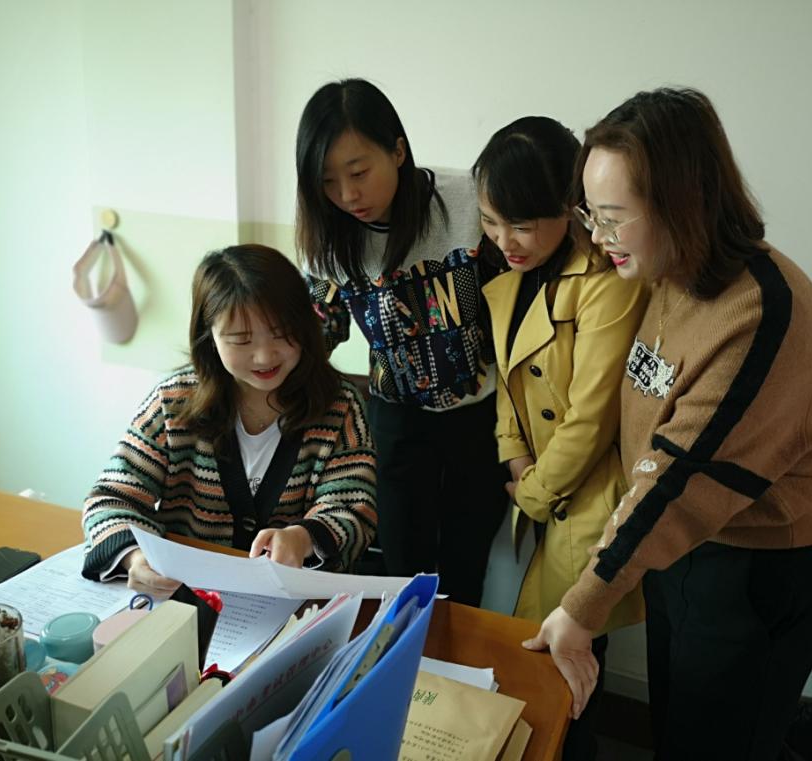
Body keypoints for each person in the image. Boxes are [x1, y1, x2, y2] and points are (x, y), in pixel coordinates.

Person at [524, 88, 812, 761]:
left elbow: (678, 477)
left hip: (755, 568)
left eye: (613, 218)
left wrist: (582, 607)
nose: (599, 237)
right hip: (682, 550)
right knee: (676, 735)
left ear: (683, 202)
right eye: (591, 215)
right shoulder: (668, 271)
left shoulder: (761, 312)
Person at [295, 78, 507, 606]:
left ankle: (454, 661)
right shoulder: (329, 238)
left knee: (465, 572)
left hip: (480, 417)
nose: (347, 195)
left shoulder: (468, 200)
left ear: (397, 150)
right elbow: (315, 331)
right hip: (396, 421)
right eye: (328, 181)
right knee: (401, 573)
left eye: (359, 172)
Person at [474, 116, 647, 759]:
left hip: (586, 501)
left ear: (566, 208)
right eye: (491, 222)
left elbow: (591, 418)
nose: (505, 241)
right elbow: (506, 383)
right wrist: (514, 456)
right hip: (536, 484)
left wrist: (533, 491)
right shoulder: (508, 277)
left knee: (569, 675)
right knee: (534, 660)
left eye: (521, 223)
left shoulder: (606, 284)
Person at [81, 244, 377, 594]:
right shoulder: (173, 402)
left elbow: (354, 510)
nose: (264, 356)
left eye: (281, 333)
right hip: (190, 598)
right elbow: (110, 498)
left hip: (295, 604)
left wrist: (303, 538)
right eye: (241, 340)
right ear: (210, 337)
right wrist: (134, 557)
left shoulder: (339, 406)